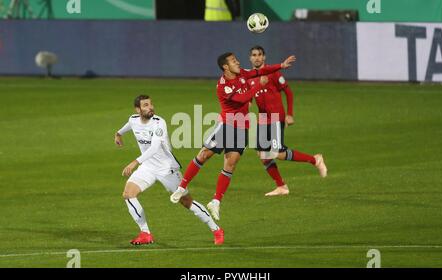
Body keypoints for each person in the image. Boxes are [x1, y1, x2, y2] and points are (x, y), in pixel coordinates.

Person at [170, 52, 296, 221]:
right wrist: (259, 85)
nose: (238, 62)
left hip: (242, 128)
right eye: (233, 61)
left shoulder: (242, 73)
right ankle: (181, 187)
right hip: (227, 125)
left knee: (230, 165)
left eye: (236, 59)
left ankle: (216, 201)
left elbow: (258, 72)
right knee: (204, 155)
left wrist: (281, 65)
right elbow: (242, 98)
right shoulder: (223, 86)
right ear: (225, 67)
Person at [115, 95, 224, 245]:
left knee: (186, 201)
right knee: (128, 194)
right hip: (147, 167)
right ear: (138, 109)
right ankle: (145, 233)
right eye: (146, 105)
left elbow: (154, 148)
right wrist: (118, 134)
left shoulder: (159, 123)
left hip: (167, 169)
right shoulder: (133, 119)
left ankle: (216, 229)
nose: (150, 107)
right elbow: (129, 125)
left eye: (151, 104)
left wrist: (135, 162)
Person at [247, 46, 327, 196]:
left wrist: (289, 114)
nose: (257, 58)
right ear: (250, 58)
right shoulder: (250, 77)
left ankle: (315, 159)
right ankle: (281, 186)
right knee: (262, 154)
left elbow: (288, 92)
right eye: (254, 55)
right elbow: (249, 99)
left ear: (264, 57)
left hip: (276, 116)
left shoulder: (274, 72)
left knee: (278, 153)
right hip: (263, 118)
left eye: (259, 55)